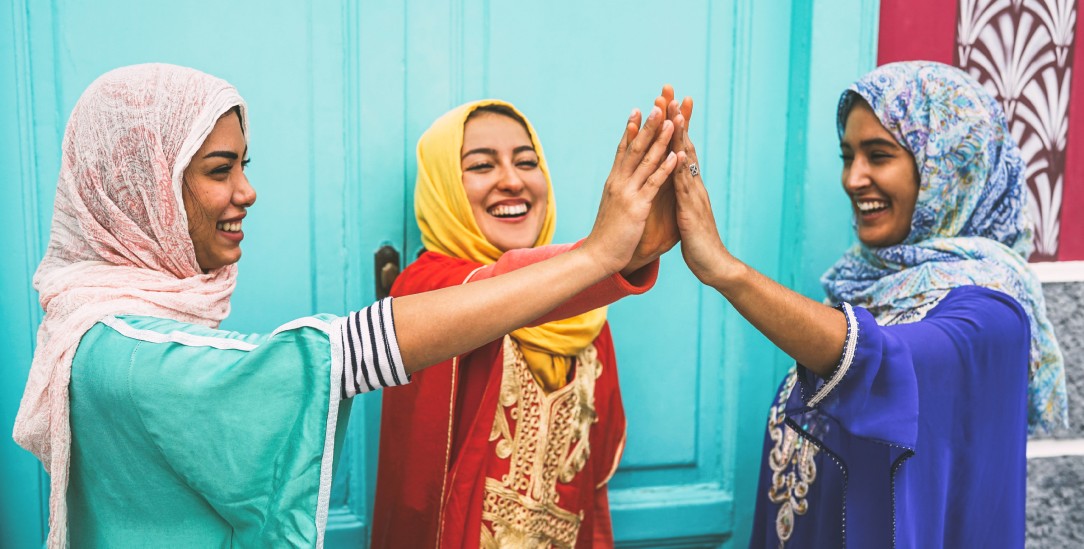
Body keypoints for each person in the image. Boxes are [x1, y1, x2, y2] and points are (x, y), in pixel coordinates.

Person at [12, 63, 680, 548]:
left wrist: (603, 261)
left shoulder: (114, 321)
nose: (247, 191)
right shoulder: (121, 354)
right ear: (138, 188)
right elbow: (326, 360)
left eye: (245, 164)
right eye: (220, 169)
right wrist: (596, 257)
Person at [669, 61, 1066, 547]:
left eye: (878, 155)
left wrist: (727, 271)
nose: (853, 178)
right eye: (847, 155)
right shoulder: (862, 287)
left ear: (949, 166)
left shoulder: (991, 315)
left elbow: (878, 359)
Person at [370, 93, 691, 548]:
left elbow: (591, 494)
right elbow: (492, 291)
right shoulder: (425, 293)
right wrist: (603, 256)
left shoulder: (584, 311)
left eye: (526, 162)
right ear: (443, 189)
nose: (512, 181)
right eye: (482, 166)